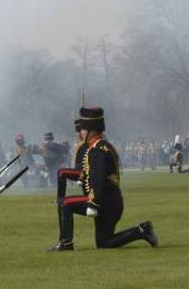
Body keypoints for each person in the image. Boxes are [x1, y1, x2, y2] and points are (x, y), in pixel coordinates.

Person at [49, 107, 158, 251]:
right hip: (112, 201)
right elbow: (91, 175)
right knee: (104, 242)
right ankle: (142, 231)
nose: (80, 133)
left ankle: (66, 243)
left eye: (82, 129)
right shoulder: (101, 146)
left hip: (102, 201)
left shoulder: (97, 150)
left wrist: (93, 203)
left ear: (90, 130)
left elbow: (98, 178)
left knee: (65, 203)